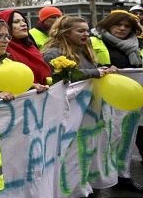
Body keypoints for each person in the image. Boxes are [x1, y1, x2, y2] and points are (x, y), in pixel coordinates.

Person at [89, 10, 143, 193]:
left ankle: (123, 175)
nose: (122, 29)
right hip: (104, 99)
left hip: (130, 99)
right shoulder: (94, 40)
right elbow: (87, 66)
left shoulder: (136, 44)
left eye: (127, 26)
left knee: (126, 138)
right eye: (117, 25)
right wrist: (101, 69)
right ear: (108, 25)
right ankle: (98, 179)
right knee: (106, 139)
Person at [42, 15, 117, 80]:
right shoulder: (53, 54)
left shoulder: (84, 50)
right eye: (81, 31)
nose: (87, 34)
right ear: (66, 33)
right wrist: (95, 73)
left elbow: (89, 69)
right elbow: (59, 78)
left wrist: (105, 68)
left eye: (87, 31)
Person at [0, 8, 51, 86]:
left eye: (23, 21)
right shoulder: (3, 51)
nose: (24, 24)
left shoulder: (30, 46)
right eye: (16, 22)